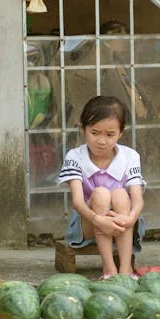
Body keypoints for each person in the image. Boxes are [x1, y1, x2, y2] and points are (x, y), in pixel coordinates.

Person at [57, 95, 145, 278]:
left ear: (121, 132)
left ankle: (125, 269)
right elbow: (78, 202)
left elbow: (137, 199)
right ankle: (109, 269)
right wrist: (98, 220)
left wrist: (130, 219)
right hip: (89, 222)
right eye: (95, 132)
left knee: (121, 194)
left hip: (124, 223)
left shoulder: (130, 156)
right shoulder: (75, 157)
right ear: (83, 128)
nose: (101, 140)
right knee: (101, 194)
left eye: (110, 134)